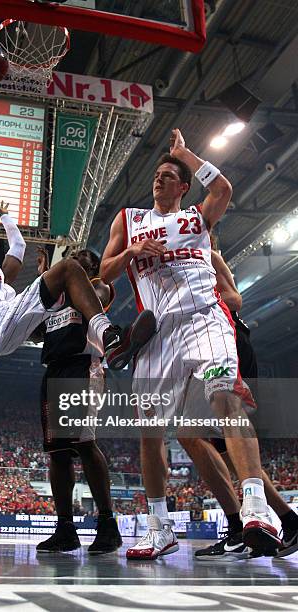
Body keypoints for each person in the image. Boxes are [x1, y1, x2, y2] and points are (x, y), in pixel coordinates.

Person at [0, 134, 156, 552]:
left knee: (69, 269)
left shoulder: (0, 275)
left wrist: (7, 219)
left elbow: (18, 246)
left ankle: (109, 337)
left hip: (7, 317)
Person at [100, 127, 280, 560]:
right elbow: (104, 272)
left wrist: (186, 154)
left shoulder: (197, 219)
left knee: (224, 396)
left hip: (204, 317)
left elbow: (223, 187)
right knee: (150, 433)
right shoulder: (129, 219)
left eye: (168, 175)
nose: (159, 179)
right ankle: (159, 528)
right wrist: (132, 253)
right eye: (157, 175)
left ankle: (256, 506)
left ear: (183, 186)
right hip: (158, 331)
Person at [178, 247, 298, 559]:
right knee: (220, 449)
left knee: (196, 433)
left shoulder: (206, 255)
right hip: (203, 346)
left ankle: (241, 525)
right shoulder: (167, 267)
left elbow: (234, 299)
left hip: (227, 338)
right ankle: (284, 520)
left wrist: (194, 301)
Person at [34, 247, 122, 554]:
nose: (74, 257)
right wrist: (41, 284)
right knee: (57, 453)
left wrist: (54, 278)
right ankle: (65, 528)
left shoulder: (98, 285)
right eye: (71, 255)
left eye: (82, 255)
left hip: (82, 366)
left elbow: (91, 294)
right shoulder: (56, 297)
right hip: (55, 369)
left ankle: (108, 525)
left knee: (84, 443)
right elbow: (34, 332)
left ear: (93, 265)